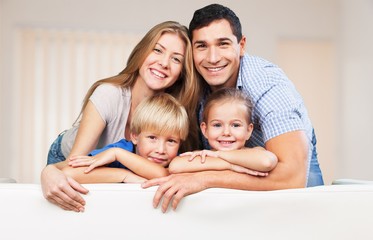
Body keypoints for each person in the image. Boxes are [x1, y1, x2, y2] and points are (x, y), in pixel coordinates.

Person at [142, 4, 324, 213]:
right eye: (201, 46)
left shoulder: (268, 85)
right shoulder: (193, 81)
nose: (212, 58)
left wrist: (204, 179)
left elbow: (292, 177)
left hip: (291, 177)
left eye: (223, 44)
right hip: (234, 179)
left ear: (242, 44)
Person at [41, 21, 200, 212]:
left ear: (182, 72)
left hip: (116, 166)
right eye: (157, 50)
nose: (164, 63)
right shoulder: (109, 95)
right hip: (69, 157)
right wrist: (49, 171)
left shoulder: (173, 112)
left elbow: (165, 173)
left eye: (176, 59)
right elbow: (72, 167)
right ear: (142, 52)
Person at [59, 93, 188, 184]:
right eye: (152, 138)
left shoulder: (177, 161)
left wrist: (118, 155)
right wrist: (124, 175)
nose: (161, 150)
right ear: (135, 137)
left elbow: (162, 174)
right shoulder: (120, 149)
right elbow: (69, 173)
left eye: (171, 141)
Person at [169, 87, 277, 176]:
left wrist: (218, 155)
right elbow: (175, 166)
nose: (226, 133)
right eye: (217, 125)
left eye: (235, 125)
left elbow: (266, 162)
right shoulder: (203, 156)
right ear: (205, 129)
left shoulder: (254, 152)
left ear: (248, 131)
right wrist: (230, 166)